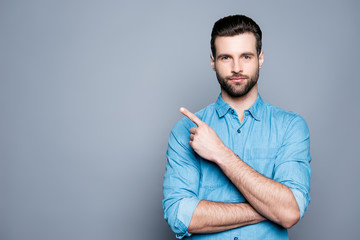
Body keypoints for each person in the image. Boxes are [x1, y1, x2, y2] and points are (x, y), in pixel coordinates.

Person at [162, 14, 311, 240]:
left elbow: (289, 212)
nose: (236, 68)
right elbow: (180, 216)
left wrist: (220, 152)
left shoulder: (290, 127)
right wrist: (269, 209)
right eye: (225, 58)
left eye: (246, 56)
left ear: (260, 58)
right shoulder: (185, 130)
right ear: (212, 61)